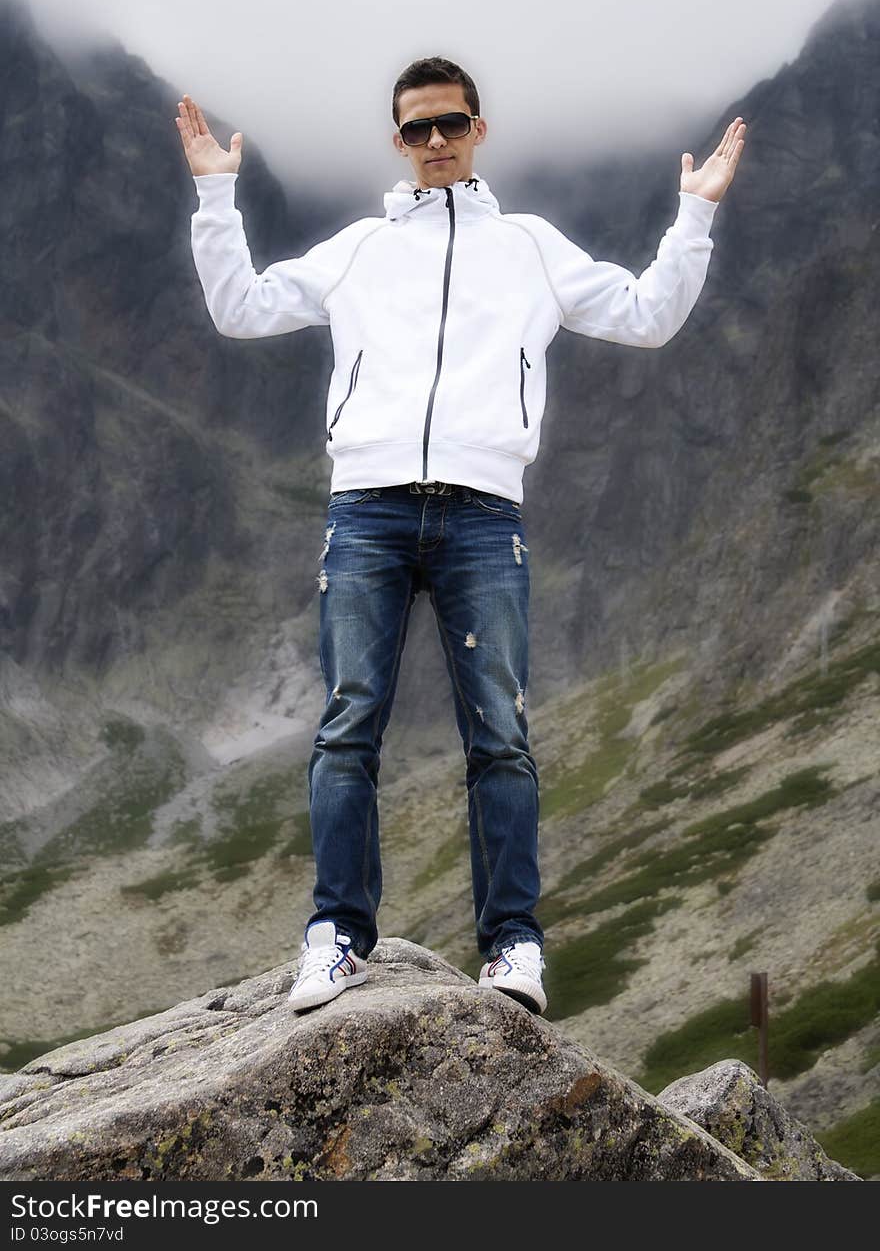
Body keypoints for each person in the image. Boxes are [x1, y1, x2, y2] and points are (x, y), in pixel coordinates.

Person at [176, 57, 746, 1018]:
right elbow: (239, 309)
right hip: (369, 508)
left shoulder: (529, 246)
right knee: (349, 724)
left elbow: (648, 318)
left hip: (485, 511)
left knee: (501, 737)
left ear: (479, 128)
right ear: (396, 143)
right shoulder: (358, 248)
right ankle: (337, 937)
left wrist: (694, 217)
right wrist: (214, 193)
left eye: (450, 124)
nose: (434, 142)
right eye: (415, 130)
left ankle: (513, 949)